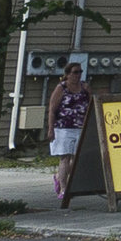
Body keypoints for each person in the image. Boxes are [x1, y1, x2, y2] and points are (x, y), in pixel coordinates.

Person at [49, 57, 94, 208]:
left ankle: (60, 178)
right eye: (75, 72)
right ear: (67, 74)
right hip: (63, 127)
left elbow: (91, 105)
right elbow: (52, 109)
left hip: (80, 127)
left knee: (76, 159)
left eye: (80, 72)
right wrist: (50, 128)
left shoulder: (85, 88)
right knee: (65, 158)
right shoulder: (61, 88)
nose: (78, 75)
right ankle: (63, 188)